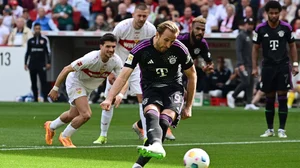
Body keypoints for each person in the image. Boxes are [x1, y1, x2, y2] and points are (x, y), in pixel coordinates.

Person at [100, 21, 197, 168]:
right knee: (151, 114)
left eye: (173, 40)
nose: (169, 44)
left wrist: (189, 106)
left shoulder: (179, 49)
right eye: (166, 40)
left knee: (164, 121)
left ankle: (140, 162)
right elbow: (123, 75)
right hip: (151, 88)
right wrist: (109, 97)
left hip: (173, 89)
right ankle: (155, 147)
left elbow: (192, 75)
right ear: (157, 35)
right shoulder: (141, 48)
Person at [132, 17, 214, 141]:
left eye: (203, 29)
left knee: (175, 100)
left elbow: (208, 63)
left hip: (181, 73)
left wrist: (207, 67)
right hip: (164, 74)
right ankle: (160, 127)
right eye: (197, 28)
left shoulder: (202, 44)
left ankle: (147, 126)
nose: (200, 32)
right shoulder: (179, 40)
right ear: (191, 28)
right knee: (167, 101)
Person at [93, 3, 158, 144]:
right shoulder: (122, 27)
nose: (141, 18)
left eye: (144, 16)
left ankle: (146, 135)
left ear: (148, 16)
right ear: (133, 14)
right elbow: (110, 48)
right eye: (139, 15)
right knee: (108, 99)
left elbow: (153, 50)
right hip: (119, 66)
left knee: (143, 98)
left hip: (137, 68)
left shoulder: (151, 30)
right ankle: (103, 135)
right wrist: (109, 71)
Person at [44, 33, 124, 147]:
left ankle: (51, 126)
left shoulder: (116, 61)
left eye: (113, 47)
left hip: (88, 87)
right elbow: (66, 69)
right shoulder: (91, 58)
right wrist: (55, 88)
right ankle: (65, 136)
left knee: (72, 114)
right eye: (108, 46)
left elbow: (122, 78)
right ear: (101, 46)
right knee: (86, 114)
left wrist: (118, 93)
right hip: (76, 82)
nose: (111, 50)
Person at [252, 1, 299, 138]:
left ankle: (282, 130)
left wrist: (295, 63)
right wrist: (255, 67)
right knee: (269, 98)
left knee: (282, 97)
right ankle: (270, 129)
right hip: (267, 66)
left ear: (280, 13)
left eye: (276, 13)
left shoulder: (286, 27)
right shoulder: (260, 29)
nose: (273, 15)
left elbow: (292, 46)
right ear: (266, 13)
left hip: (283, 66)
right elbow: (255, 48)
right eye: (271, 13)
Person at [227, 18, 259, 110]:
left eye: (252, 24)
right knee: (246, 81)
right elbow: (238, 51)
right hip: (243, 64)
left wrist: (255, 65)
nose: (250, 26)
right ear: (245, 25)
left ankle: (249, 103)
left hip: (251, 64)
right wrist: (240, 64)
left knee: (251, 83)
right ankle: (232, 96)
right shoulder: (241, 36)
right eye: (249, 24)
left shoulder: (253, 36)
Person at [25, 23, 51, 102]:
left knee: (43, 81)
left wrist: (49, 62)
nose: (37, 30)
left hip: (41, 64)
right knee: (33, 82)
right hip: (32, 64)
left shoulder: (44, 40)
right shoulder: (30, 40)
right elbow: (27, 52)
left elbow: (48, 52)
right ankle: (35, 98)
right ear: (34, 29)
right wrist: (25, 63)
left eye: (38, 29)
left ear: (40, 30)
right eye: (36, 29)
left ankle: (46, 98)